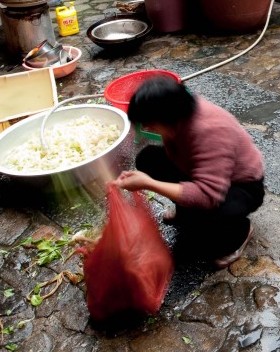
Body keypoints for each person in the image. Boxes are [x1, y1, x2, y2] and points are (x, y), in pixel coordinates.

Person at [110, 77, 265, 269]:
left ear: (167, 118)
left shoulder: (210, 132)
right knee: (147, 158)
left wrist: (149, 183)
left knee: (212, 221)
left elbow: (209, 195)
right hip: (199, 170)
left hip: (242, 186)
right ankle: (186, 212)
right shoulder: (178, 112)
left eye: (150, 124)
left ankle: (239, 233)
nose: (147, 129)